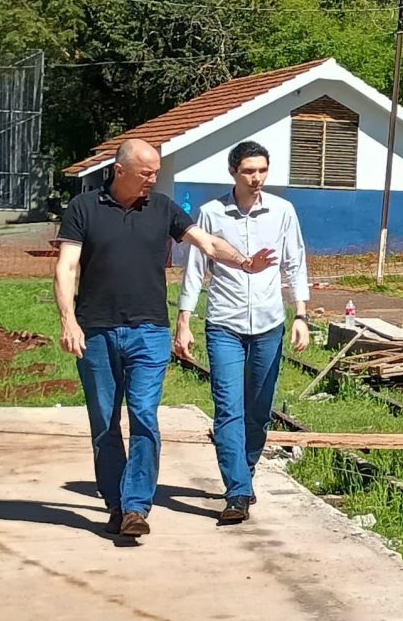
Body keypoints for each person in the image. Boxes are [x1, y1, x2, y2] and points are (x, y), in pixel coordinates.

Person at [55, 138, 277, 542]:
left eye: (156, 172)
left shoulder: (163, 208)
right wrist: (69, 320)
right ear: (119, 170)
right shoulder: (83, 208)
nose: (153, 179)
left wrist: (245, 262)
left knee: (143, 415)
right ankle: (116, 503)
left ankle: (137, 506)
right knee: (105, 423)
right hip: (97, 331)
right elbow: (66, 267)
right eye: (146, 173)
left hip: (150, 332)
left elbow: (207, 243)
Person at [175, 140, 311, 524]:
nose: (256, 178)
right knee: (228, 409)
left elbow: (294, 263)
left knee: (258, 410)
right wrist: (184, 320)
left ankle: (244, 473)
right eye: (249, 171)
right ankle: (236, 492)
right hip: (224, 324)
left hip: (270, 324)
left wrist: (301, 315)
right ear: (233, 172)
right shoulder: (211, 213)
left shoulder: (283, 211)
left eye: (262, 170)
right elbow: (196, 270)